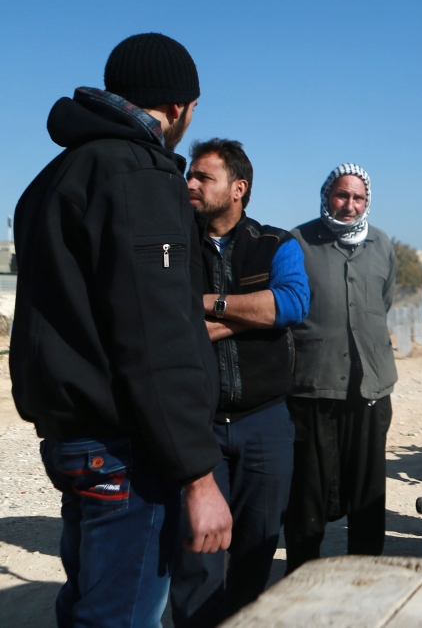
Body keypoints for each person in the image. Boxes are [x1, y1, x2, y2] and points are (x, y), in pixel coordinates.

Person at [9, 33, 232, 626]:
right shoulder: (141, 176)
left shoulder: (56, 174)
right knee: (120, 616)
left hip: (75, 436)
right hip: (125, 448)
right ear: (181, 107)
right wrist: (198, 476)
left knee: (89, 604)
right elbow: (156, 336)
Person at [170, 139, 309, 626]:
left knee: (257, 545)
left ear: (237, 188)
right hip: (196, 423)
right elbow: (166, 318)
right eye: (191, 174)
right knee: (196, 552)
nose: (190, 183)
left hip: (265, 421)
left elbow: (291, 304)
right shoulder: (174, 243)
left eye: (203, 177)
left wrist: (211, 304)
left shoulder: (275, 243)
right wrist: (256, 314)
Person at [284, 163, 397, 572]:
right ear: (326, 195)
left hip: (370, 390)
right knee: (307, 497)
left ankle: (364, 583)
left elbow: (384, 301)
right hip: (313, 390)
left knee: (367, 498)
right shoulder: (298, 242)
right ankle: (300, 580)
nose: (349, 205)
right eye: (341, 195)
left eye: (358, 197)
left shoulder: (381, 244)